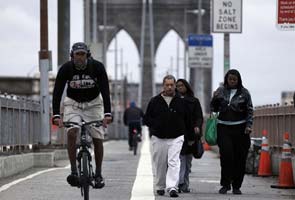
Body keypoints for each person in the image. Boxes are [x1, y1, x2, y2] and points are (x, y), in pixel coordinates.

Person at [52, 42, 112, 188]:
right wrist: (56, 115)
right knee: (72, 132)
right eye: (77, 55)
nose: (79, 58)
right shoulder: (66, 68)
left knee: (98, 137)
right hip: (73, 103)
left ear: (87, 55)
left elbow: (105, 90)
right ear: (72, 56)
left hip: (94, 103)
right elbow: (58, 92)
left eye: (82, 55)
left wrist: (107, 113)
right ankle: (73, 171)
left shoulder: (97, 67)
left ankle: (98, 174)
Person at [144, 75, 194, 198]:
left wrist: (191, 136)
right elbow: (146, 118)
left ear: (175, 86)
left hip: (176, 136)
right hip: (159, 137)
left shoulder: (181, 102)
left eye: (172, 85)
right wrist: (155, 125)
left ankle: (172, 187)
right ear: (163, 86)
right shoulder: (155, 101)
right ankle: (160, 186)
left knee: (174, 162)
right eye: (167, 85)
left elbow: (188, 120)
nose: (170, 87)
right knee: (160, 163)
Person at [210, 69, 253, 195]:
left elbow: (250, 110)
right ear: (226, 79)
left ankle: (236, 186)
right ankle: (225, 184)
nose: (232, 81)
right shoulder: (220, 91)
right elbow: (213, 108)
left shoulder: (245, 93)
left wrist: (249, 125)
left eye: (235, 79)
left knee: (240, 158)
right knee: (227, 156)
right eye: (230, 79)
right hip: (223, 128)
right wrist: (215, 99)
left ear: (238, 80)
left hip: (241, 129)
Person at [176, 79, 203, 193]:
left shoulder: (194, 101)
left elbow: (199, 116)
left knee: (187, 161)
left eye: (182, 85)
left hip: (190, 134)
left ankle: (184, 184)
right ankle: (180, 182)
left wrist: (197, 126)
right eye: (178, 86)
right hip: (176, 133)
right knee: (179, 159)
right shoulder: (174, 100)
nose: (180, 87)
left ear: (187, 86)